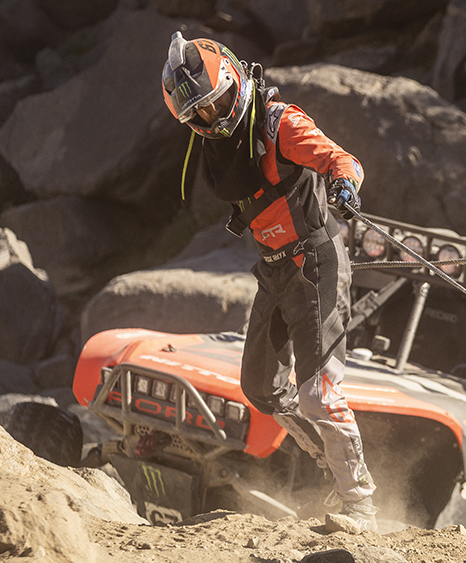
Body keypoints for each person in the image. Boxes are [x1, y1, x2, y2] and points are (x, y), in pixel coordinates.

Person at [160, 31, 377, 530]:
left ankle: (360, 502)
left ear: (234, 83)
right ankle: (330, 460)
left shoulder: (281, 124)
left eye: (214, 106)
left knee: (319, 393)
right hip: (275, 269)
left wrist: (344, 185)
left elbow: (345, 161)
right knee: (259, 388)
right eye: (198, 116)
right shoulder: (222, 144)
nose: (209, 121)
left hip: (316, 262)